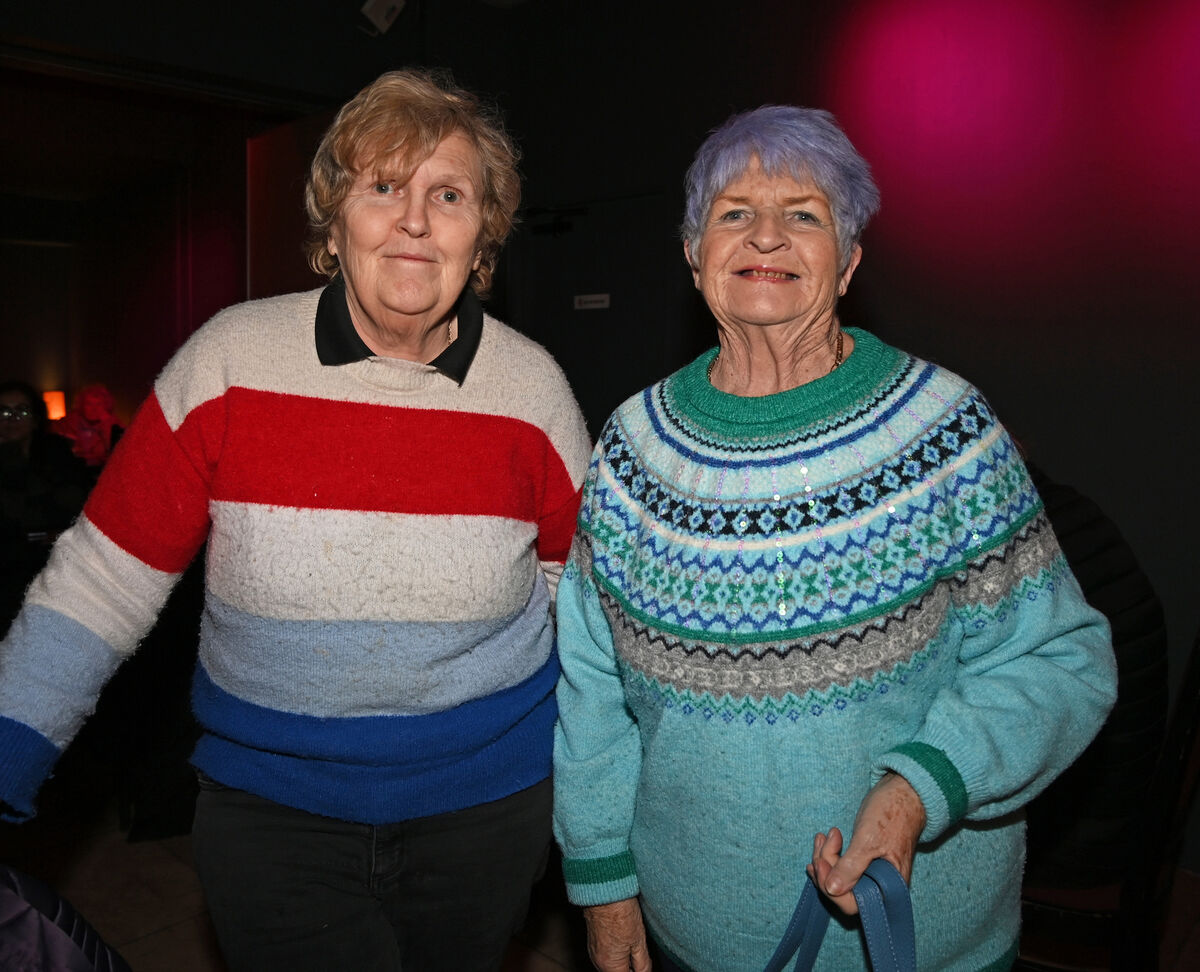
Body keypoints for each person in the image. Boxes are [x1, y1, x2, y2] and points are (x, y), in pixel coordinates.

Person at [0, 69, 591, 972]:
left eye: (449, 194)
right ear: (334, 220)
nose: (415, 221)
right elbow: (104, 576)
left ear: (484, 239)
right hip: (273, 817)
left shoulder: (535, 390)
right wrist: (6, 750)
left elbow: (572, 598)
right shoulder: (228, 361)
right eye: (384, 186)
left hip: (484, 812)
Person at [551, 105, 1116, 972]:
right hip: (691, 936)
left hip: (923, 940)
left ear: (847, 263)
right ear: (695, 253)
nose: (766, 234)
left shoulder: (944, 431)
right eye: (734, 212)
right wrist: (605, 887)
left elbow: (1062, 662)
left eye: (804, 215)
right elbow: (592, 695)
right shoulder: (631, 450)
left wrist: (917, 788)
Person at [0, 380, 89, 631]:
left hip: (54, 564)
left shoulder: (56, 454)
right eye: (4, 411)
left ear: (36, 419)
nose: (12, 418)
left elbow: (74, 505)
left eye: (22, 411)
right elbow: (15, 517)